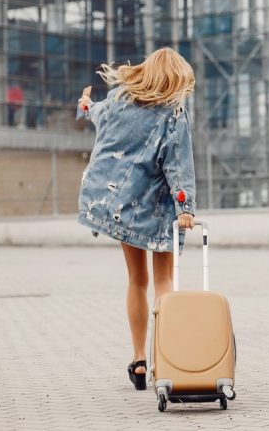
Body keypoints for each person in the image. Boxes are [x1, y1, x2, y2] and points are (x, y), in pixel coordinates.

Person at [76, 47, 196, 390]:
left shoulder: (118, 99)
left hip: (123, 206)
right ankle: (166, 357)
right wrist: (185, 209)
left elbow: (94, 113)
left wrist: (83, 105)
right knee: (164, 282)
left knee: (136, 281)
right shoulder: (173, 112)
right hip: (157, 210)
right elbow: (179, 165)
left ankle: (139, 360)